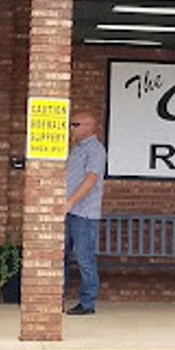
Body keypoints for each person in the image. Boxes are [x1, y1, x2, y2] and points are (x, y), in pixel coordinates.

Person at [63, 111, 107, 316]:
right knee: (59, 256)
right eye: (71, 124)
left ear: (91, 127)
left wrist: (70, 201)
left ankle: (87, 302)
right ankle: (55, 298)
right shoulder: (75, 150)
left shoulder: (96, 151)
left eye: (75, 124)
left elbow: (90, 180)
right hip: (68, 211)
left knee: (84, 257)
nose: (71, 128)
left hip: (84, 213)